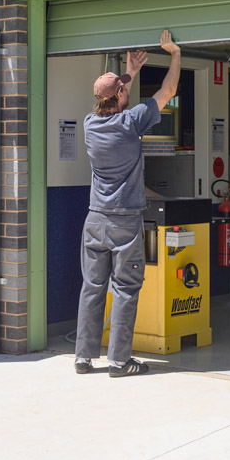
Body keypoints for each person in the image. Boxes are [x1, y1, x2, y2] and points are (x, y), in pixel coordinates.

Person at [74, 28, 181, 377]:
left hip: (95, 220)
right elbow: (169, 91)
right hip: (124, 223)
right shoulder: (131, 122)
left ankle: (83, 357)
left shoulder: (90, 125)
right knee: (125, 290)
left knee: (92, 288)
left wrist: (129, 75)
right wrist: (174, 54)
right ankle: (119, 361)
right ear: (120, 94)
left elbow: (114, 101)